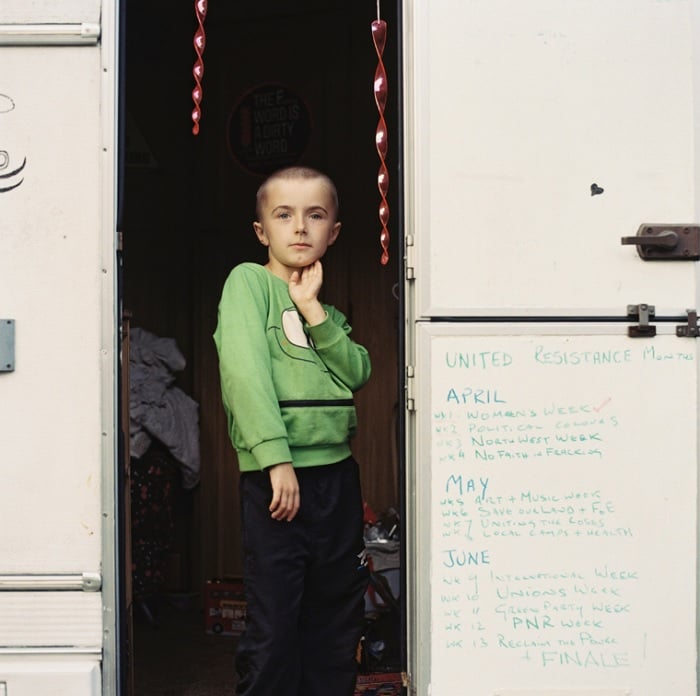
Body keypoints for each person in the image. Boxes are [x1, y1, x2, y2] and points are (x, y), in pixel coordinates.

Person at [213, 166, 372, 696]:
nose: (299, 227)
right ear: (262, 231)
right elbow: (244, 373)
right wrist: (275, 458)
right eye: (284, 215)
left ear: (334, 231)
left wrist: (313, 310)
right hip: (278, 483)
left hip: (336, 481)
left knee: (334, 623)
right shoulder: (249, 283)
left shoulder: (323, 308)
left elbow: (357, 371)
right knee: (276, 626)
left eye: (315, 215)